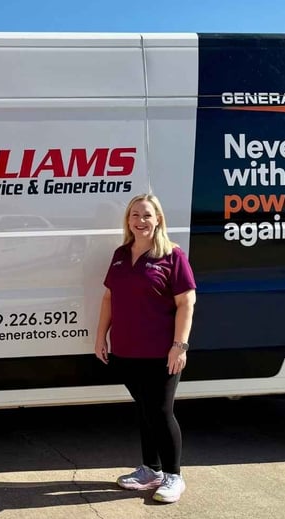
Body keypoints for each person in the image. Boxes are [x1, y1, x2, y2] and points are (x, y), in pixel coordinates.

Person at [94, 193, 196, 504]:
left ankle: (173, 476)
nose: (141, 221)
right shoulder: (121, 254)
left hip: (161, 350)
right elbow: (109, 298)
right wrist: (101, 336)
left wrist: (179, 345)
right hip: (126, 349)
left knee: (161, 411)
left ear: (159, 219)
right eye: (135, 215)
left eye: (147, 215)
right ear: (128, 220)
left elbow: (186, 302)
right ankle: (150, 470)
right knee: (145, 409)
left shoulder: (173, 256)